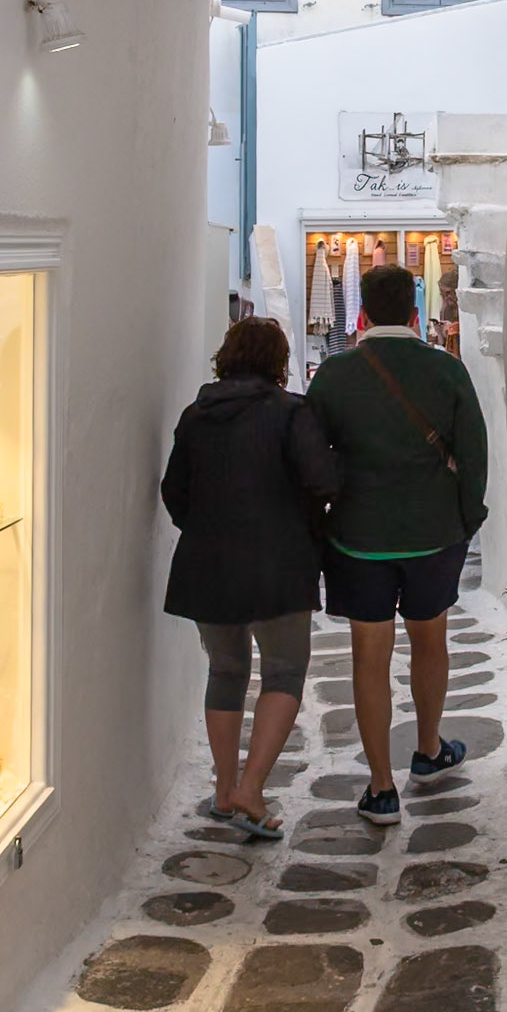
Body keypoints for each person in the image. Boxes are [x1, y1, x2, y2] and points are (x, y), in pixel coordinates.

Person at [306, 263, 488, 825]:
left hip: (359, 537)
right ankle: (429, 750)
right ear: (414, 312)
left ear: (362, 312)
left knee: (369, 657)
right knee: (430, 642)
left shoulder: (335, 374)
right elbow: (474, 450)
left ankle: (381, 786)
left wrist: (326, 518)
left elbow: (311, 458)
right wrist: (466, 517)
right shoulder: (446, 370)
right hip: (433, 532)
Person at [161, 316, 341, 838]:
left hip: (208, 563)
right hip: (278, 563)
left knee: (225, 670)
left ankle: (224, 789)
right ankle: (252, 788)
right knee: (283, 672)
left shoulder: (196, 415)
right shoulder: (291, 413)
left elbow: (174, 491)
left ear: (227, 356)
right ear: (277, 362)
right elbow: (323, 480)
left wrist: (208, 530)